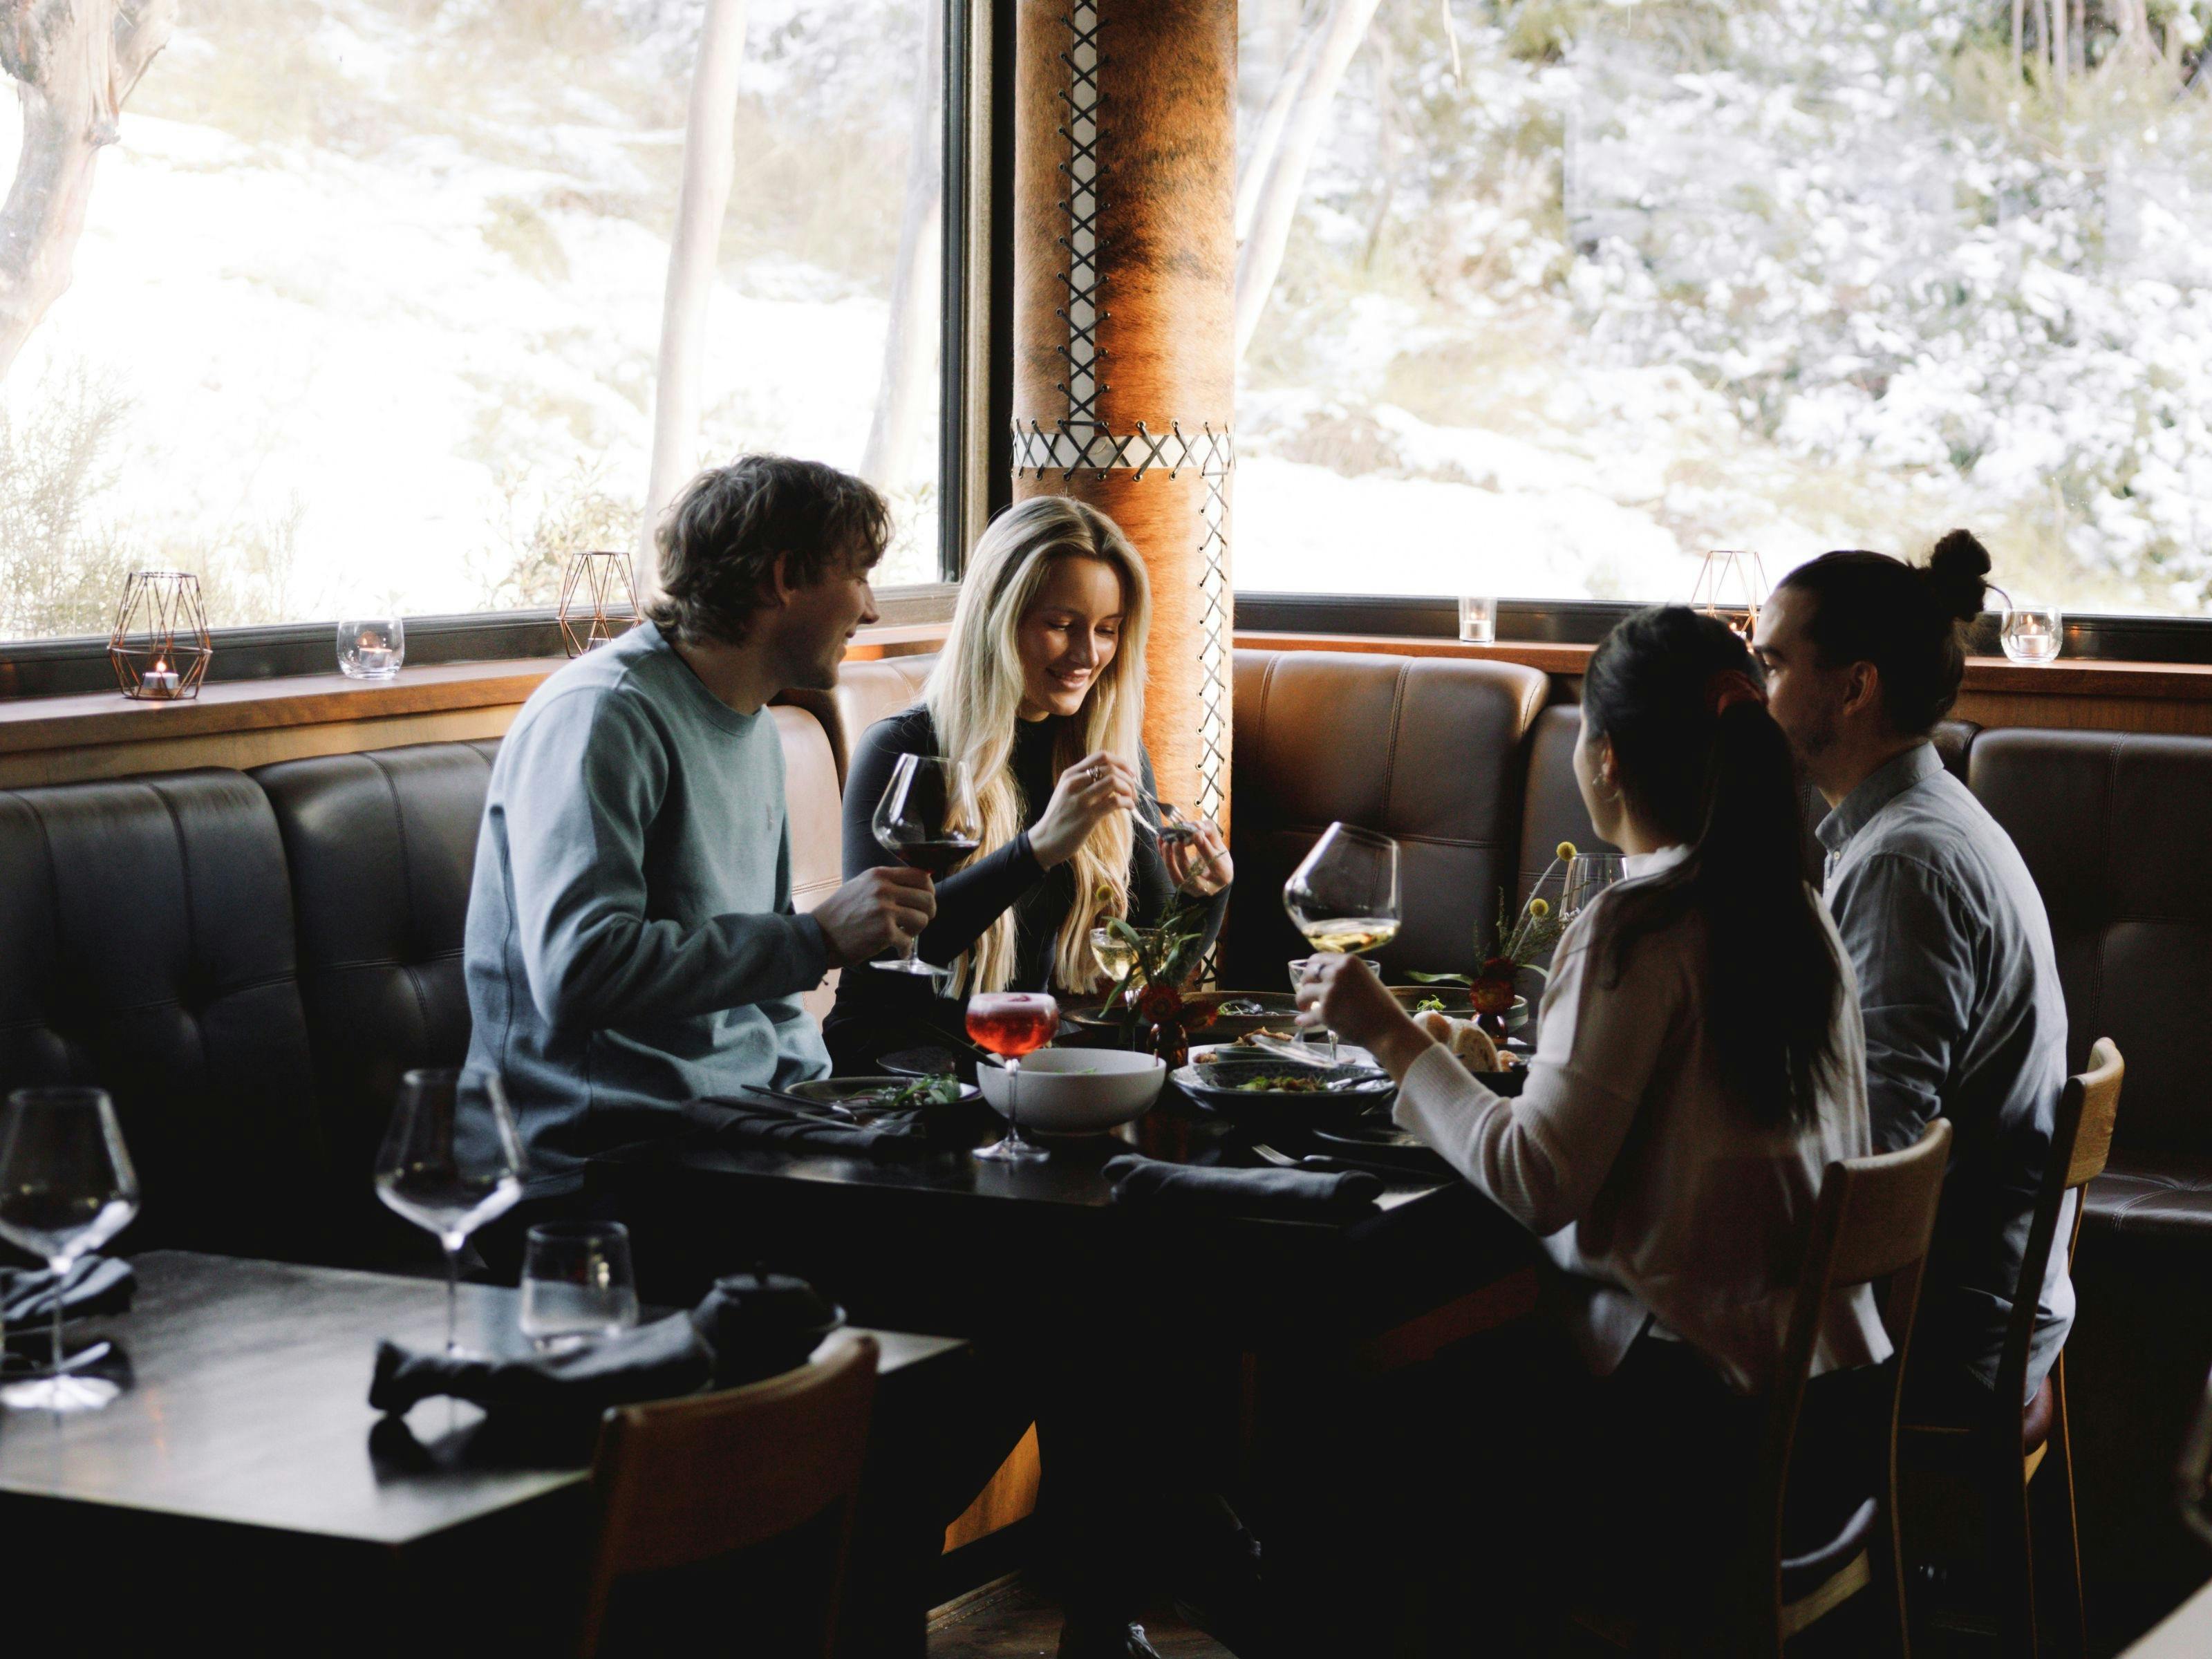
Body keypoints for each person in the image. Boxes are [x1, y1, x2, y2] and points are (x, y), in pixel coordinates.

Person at [1297, 607, 1888, 1635]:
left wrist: (1388, 1033)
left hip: (1693, 1440)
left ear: (1605, 758)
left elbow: (1539, 1181)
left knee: (1351, 1432)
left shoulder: (1641, 924)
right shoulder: (1797, 910)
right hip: (1827, 1428)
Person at [460, 455, 937, 1203]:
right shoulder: (605, 713)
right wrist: (813, 940)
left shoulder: (754, 722)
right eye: (858, 577)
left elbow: (768, 993)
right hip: (591, 1161)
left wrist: (827, 1116)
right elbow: (578, 973)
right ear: (784, 578)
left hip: (732, 1130)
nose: (870, 610)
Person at [1755, 532, 2072, 1412]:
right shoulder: (1921, 824)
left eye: (1773, 665)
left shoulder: (1905, 863)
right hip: (1982, 1295)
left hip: (1938, 1327)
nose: (1755, 692)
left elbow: (1870, 1157)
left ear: (1854, 688)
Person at [823, 494, 1231, 1074]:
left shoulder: (1110, 754)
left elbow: (1147, 974)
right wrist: (1038, 850)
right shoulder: (903, 749)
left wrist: (1203, 897)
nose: (1089, 655)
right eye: (1061, 626)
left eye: (1109, 630)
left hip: (1023, 1062)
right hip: (900, 1064)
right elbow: (888, 952)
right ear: (998, 619)